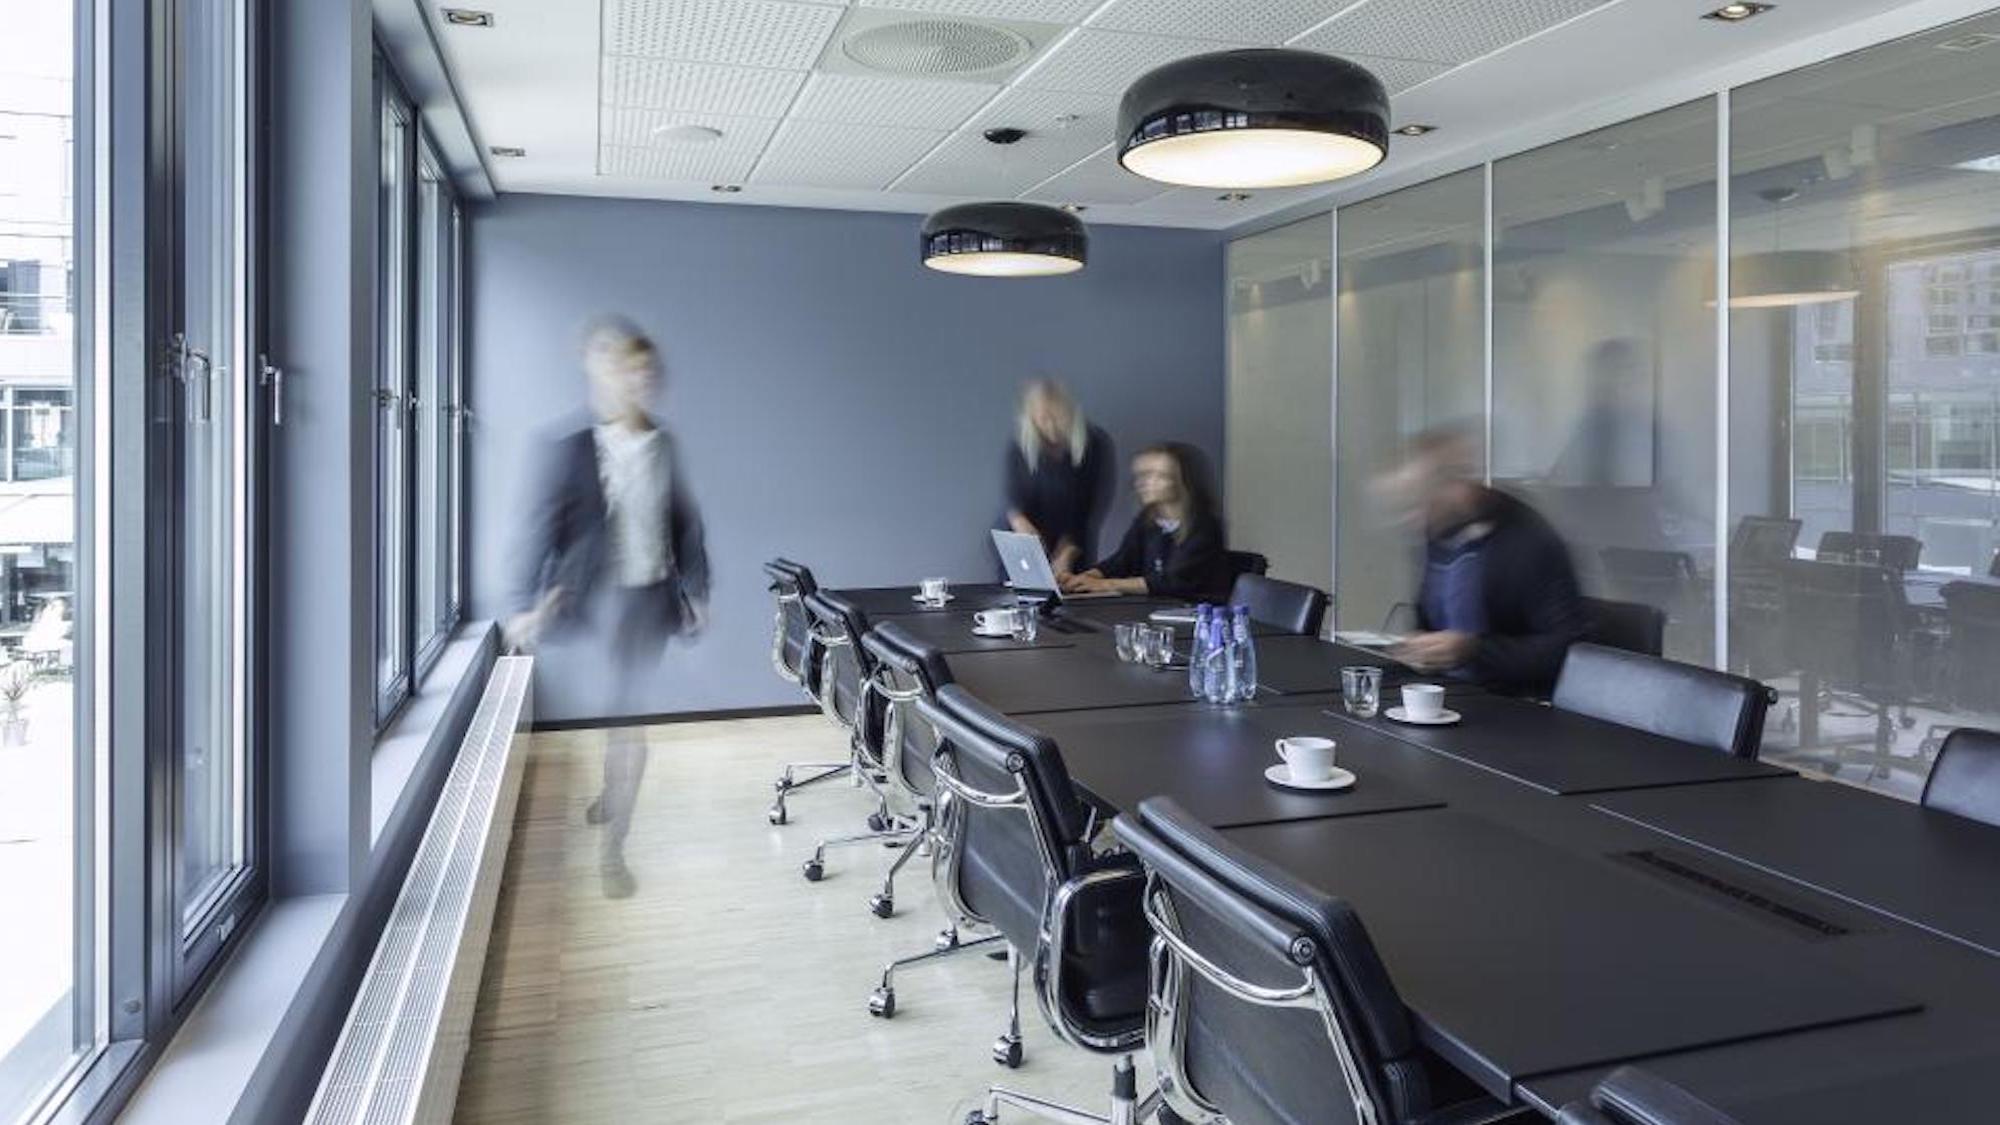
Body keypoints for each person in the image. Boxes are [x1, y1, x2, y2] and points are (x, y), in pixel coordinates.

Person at [507, 318, 709, 899]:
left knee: (627, 718)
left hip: (646, 599)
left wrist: (696, 589)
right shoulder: (570, 448)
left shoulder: (663, 444)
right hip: (590, 600)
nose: (638, 381)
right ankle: (609, 791)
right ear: (605, 375)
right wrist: (525, 603)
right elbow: (541, 526)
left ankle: (613, 849)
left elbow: (686, 524)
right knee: (613, 713)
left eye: (647, 373)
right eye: (627, 370)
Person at [1381, 425, 1585, 696]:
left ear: (1456, 486)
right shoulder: (1439, 532)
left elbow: (1568, 651)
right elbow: (1432, 624)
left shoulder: (1529, 541)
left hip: (1515, 707)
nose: (1412, 519)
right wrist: (1420, 647)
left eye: (1420, 502)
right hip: (1448, 695)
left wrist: (1473, 650)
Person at [1061, 442, 1230, 602]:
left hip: (1195, 613)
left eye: (1159, 476)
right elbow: (1123, 560)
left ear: (1183, 481)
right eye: (1142, 475)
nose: (1144, 483)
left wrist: (1105, 585)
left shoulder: (1205, 526)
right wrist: (1088, 577)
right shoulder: (1148, 520)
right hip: (1154, 608)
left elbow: (1174, 581)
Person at [1001, 378, 1114, 579]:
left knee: (1073, 596)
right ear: (1031, 418)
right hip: (1025, 540)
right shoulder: (1020, 447)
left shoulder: (1095, 443)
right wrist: (1025, 532)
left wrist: (1067, 553)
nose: (1051, 425)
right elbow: (1014, 503)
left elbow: (1090, 506)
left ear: (1071, 412)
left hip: (1075, 537)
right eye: (1043, 418)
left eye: (1058, 417)